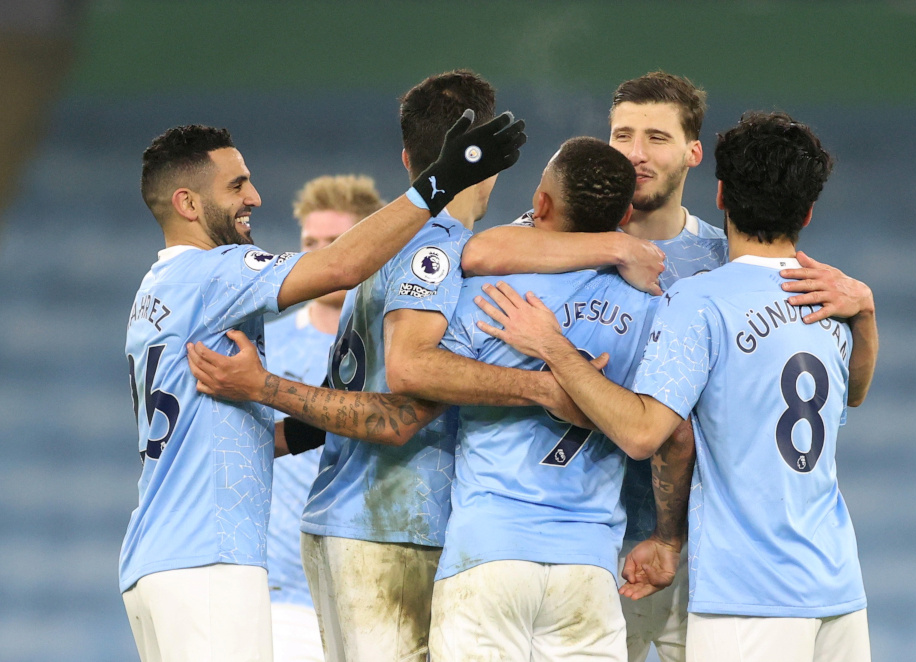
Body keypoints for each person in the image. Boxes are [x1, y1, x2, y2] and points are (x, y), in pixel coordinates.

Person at [460, 71, 875, 662]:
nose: (634, 152)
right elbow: (479, 253)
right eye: (622, 134)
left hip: (701, 550)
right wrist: (614, 246)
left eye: (656, 137)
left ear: (694, 156)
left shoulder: (718, 262)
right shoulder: (564, 232)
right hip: (595, 538)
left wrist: (863, 305)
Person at [121, 113, 525, 662]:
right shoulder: (215, 272)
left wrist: (326, 420)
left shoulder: (158, 287)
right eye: (236, 185)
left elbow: (240, 435)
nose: (255, 198)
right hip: (208, 557)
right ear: (189, 204)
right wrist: (442, 181)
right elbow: (342, 266)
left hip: (155, 560)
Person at [428, 137, 658, 662]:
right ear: (625, 214)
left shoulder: (490, 292)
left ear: (543, 204)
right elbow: (672, 433)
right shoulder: (652, 309)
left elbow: (423, 379)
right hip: (590, 566)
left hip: (489, 553)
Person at [266, 175, 384, 662]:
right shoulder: (264, 345)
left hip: (368, 584)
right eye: (310, 244)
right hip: (277, 594)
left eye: (335, 244)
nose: (319, 257)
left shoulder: (397, 347)